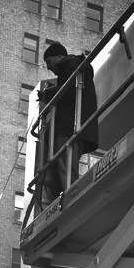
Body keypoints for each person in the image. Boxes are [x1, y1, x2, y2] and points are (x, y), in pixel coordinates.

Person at [39, 43, 98, 207]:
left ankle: (71, 199)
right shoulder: (73, 66)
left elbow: (69, 89)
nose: (49, 67)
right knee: (66, 168)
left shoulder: (71, 64)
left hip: (68, 127)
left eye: (49, 62)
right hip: (73, 126)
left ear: (59, 56)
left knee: (66, 169)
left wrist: (48, 94)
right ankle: (67, 197)